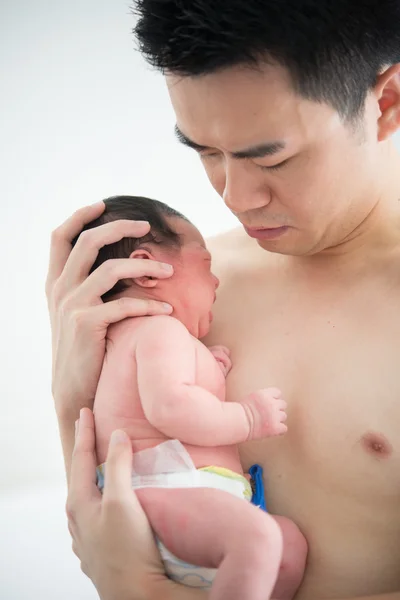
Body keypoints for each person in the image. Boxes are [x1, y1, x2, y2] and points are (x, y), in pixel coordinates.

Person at [46, 1, 400, 599]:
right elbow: (109, 531)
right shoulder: (174, 295)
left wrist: (145, 592)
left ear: (385, 102)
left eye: (271, 157)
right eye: (206, 151)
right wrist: (68, 395)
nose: (236, 197)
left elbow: (135, 582)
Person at [73, 194, 305, 600]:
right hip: (166, 492)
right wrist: (247, 418)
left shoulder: (146, 341)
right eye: (206, 264)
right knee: (259, 539)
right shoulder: (157, 330)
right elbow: (170, 407)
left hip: (195, 503)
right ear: (147, 270)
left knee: (287, 545)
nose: (216, 281)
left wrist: (205, 369)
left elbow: (168, 391)